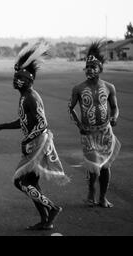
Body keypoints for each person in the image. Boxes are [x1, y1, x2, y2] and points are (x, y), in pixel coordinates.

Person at [0, 42, 70, 230]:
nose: (15, 80)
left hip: (39, 143)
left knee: (20, 181)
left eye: (20, 77)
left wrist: (26, 140)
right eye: (15, 77)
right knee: (30, 183)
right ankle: (45, 220)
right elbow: (23, 121)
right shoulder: (24, 96)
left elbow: (42, 123)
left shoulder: (31, 97)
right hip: (35, 142)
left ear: (29, 80)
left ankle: (52, 208)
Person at [68, 41, 121, 208]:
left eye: (93, 66)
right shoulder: (78, 88)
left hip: (106, 132)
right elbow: (70, 109)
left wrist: (115, 117)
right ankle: (91, 191)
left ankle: (102, 198)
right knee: (93, 166)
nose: (89, 69)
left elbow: (115, 108)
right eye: (87, 66)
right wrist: (79, 125)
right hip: (88, 133)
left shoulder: (109, 87)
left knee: (105, 166)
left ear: (100, 69)